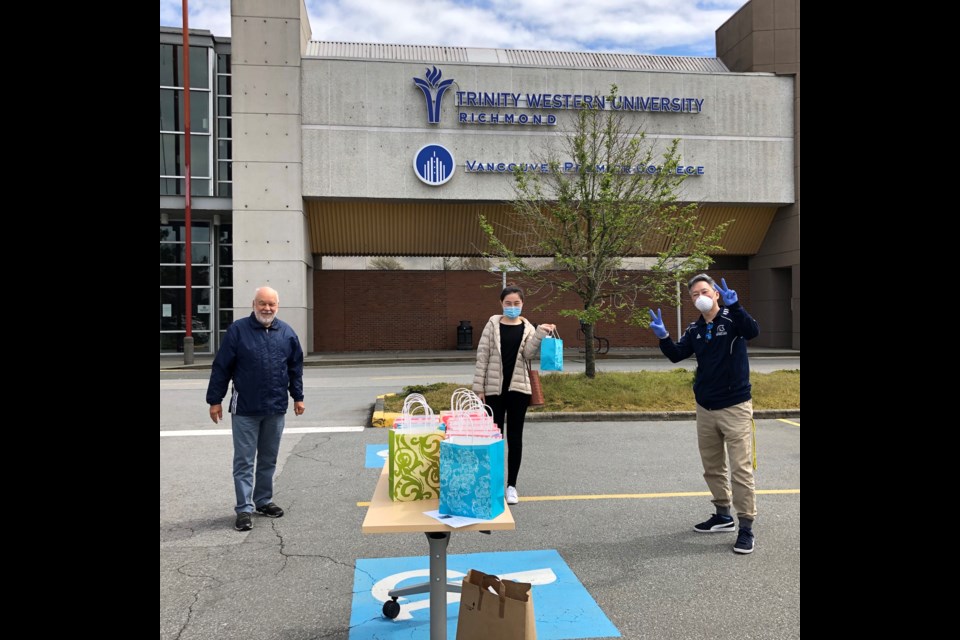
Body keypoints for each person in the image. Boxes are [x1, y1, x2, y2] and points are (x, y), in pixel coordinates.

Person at [648, 274, 760, 554]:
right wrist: (663, 337)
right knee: (712, 467)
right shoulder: (695, 329)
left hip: (735, 406)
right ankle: (723, 515)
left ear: (716, 294)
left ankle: (746, 527)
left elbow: (753, 331)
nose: (700, 296)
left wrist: (737, 307)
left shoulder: (733, 320)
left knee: (741, 470)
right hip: (705, 408)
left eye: (705, 290)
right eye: (695, 293)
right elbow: (677, 354)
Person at [206, 286, 305, 531]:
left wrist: (298, 397)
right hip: (245, 410)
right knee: (244, 461)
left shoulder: (287, 333)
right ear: (254, 304)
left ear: (277, 306)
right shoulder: (238, 331)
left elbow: (295, 368)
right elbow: (221, 367)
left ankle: (263, 500)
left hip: (275, 408)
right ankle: (244, 509)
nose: (267, 308)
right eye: (262, 303)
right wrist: (214, 400)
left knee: (268, 459)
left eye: (271, 304)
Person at [473, 286, 556, 506]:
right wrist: (478, 389)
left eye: (516, 303)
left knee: (515, 438)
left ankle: (512, 486)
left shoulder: (528, 327)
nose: (512, 307)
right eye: (508, 303)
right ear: (501, 304)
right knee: (494, 439)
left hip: (519, 390)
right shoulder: (492, 325)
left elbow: (528, 354)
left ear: (522, 304)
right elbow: (482, 357)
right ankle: (493, 483)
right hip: (493, 391)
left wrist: (540, 333)